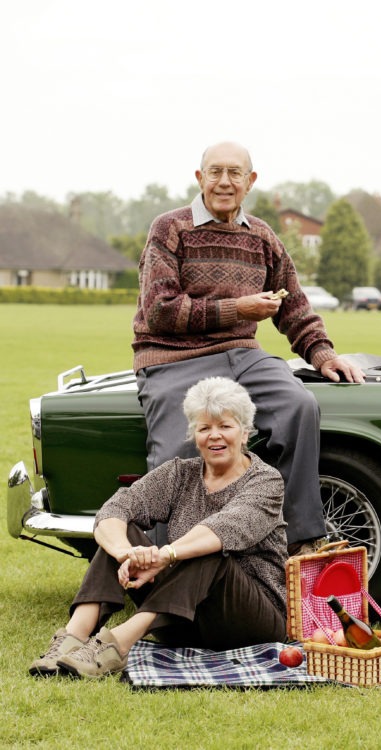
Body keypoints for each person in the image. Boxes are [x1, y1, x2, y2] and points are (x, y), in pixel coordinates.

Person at [132, 141, 364, 556]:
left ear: (250, 181)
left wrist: (322, 352)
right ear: (199, 178)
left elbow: (293, 302)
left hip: (243, 354)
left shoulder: (261, 235)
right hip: (173, 357)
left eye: (234, 173)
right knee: (179, 449)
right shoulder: (169, 228)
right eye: (215, 172)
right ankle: (165, 563)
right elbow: (160, 310)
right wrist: (237, 308)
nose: (224, 181)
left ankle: (297, 543)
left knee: (299, 406)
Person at [30, 377, 288, 679]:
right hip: (180, 619)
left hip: (250, 622)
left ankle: (116, 647)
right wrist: (126, 553)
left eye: (225, 426)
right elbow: (115, 509)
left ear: (245, 433)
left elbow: (225, 529)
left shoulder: (266, 481)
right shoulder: (181, 473)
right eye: (205, 428)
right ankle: (70, 640)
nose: (215, 436)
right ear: (195, 435)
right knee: (121, 531)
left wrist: (165, 556)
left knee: (210, 550)